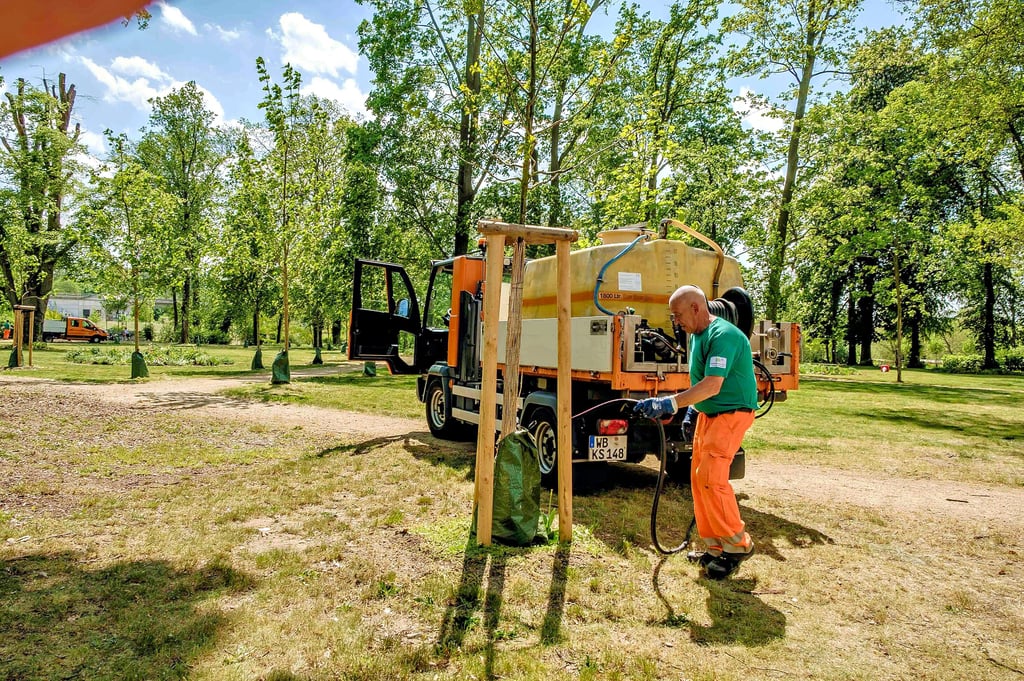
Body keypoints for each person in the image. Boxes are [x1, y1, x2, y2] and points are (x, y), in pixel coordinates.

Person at [634, 285, 759, 580]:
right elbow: (704, 382)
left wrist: (672, 402)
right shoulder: (699, 336)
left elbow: (714, 384)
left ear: (695, 308)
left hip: (731, 413)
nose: (675, 321)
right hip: (710, 413)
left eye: (678, 315)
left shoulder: (723, 335)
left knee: (713, 480)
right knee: (699, 479)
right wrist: (694, 409)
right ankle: (716, 548)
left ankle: (738, 545)